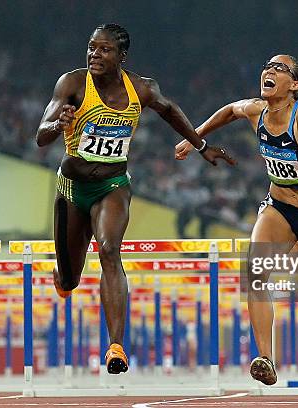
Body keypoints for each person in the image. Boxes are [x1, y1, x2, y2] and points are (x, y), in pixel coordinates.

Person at [35, 23, 234, 375]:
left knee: (110, 250)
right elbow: (41, 136)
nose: (95, 55)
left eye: (105, 50)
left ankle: (115, 347)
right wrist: (59, 124)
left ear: (121, 56)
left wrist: (201, 145)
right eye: (91, 48)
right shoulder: (72, 84)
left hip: (112, 186)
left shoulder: (141, 88)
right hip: (71, 189)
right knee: (69, 280)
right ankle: (63, 276)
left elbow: (170, 110)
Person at [175, 54, 298, 385]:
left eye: (280, 69)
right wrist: (195, 138)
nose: (270, 70)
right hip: (278, 207)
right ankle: (266, 357)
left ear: (294, 85)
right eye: (268, 66)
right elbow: (229, 110)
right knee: (256, 272)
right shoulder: (255, 111)